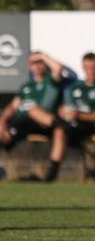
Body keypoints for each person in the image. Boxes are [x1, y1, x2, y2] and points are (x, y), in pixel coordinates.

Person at [0, 51, 65, 182]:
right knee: (3, 132)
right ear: (29, 66)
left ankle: (50, 177)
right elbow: (13, 107)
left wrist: (42, 56)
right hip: (24, 123)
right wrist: (2, 121)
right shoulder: (27, 87)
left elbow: (58, 68)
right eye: (33, 63)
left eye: (40, 62)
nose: (37, 65)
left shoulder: (51, 82)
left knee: (34, 111)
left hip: (45, 122)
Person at [54, 52, 95, 178]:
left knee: (62, 130)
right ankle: (52, 172)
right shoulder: (74, 88)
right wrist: (62, 111)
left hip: (92, 126)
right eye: (88, 68)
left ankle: (52, 174)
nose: (91, 71)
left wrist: (78, 115)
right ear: (83, 68)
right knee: (58, 128)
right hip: (71, 125)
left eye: (94, 68)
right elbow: (66, 108)